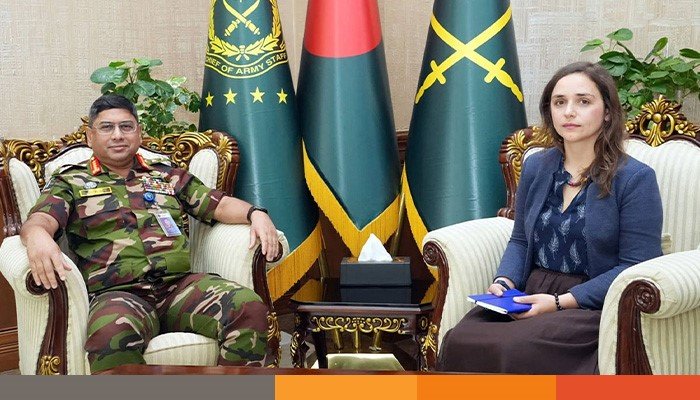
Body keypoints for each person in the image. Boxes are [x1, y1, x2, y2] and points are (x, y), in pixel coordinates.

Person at [20, 94, 281, 373]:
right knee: (110, 337)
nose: (118, 135)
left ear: (139, 132)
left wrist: (256, 213)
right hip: (118, 293)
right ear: (90, 136)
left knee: (248, 308)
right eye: (107, 127)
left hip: (178, 287)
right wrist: (37, 236)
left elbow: (218, 205)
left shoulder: (166, 174)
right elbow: (41, 219)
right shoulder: (71, 180)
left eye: (126, 126)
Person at [437, 62, 663, 374]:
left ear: (608, 112)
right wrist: (505, 281)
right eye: (559, 102)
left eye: (583, 101)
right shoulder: (536, 166)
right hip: (531, 293)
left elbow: (636, 266)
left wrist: (560, 302)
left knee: (512, 348)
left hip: (590, 303)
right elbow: (520, 240)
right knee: (460, 339)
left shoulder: (635, 178)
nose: (569, 112)